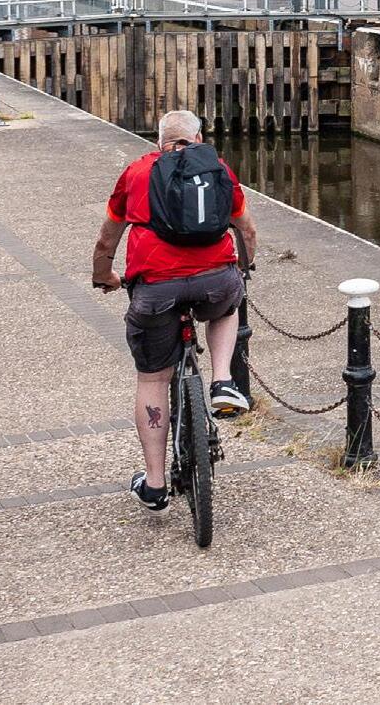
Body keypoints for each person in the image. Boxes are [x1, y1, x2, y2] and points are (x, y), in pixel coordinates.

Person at [93, 109, 257, 511]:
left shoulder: (137, 173)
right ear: (198, 139)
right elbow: (247, 230)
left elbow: (107, 239)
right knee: (227, 305)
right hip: (214, 279)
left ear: (159, 141)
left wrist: (104, 276)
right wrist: (242, 266)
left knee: (153, 378)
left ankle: (154, 485)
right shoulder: (218, 169)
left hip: (156, 288)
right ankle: (223, 381)